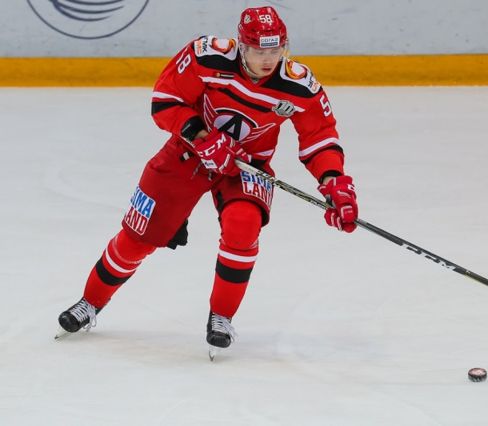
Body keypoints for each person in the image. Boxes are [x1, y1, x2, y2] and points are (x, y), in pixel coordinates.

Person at [56, 6, 359, 355]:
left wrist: (334, 181)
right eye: (258, 50)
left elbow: (320, 137)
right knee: (138, 237)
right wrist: (202, 137)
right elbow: (164, 101)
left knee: (243, 225)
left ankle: (221, 317)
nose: (268, 59)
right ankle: (90, 302)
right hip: (187, 154)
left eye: (276, 50)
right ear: (241, 45)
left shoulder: (299, 85)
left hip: (247, 166)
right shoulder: (207, 56)